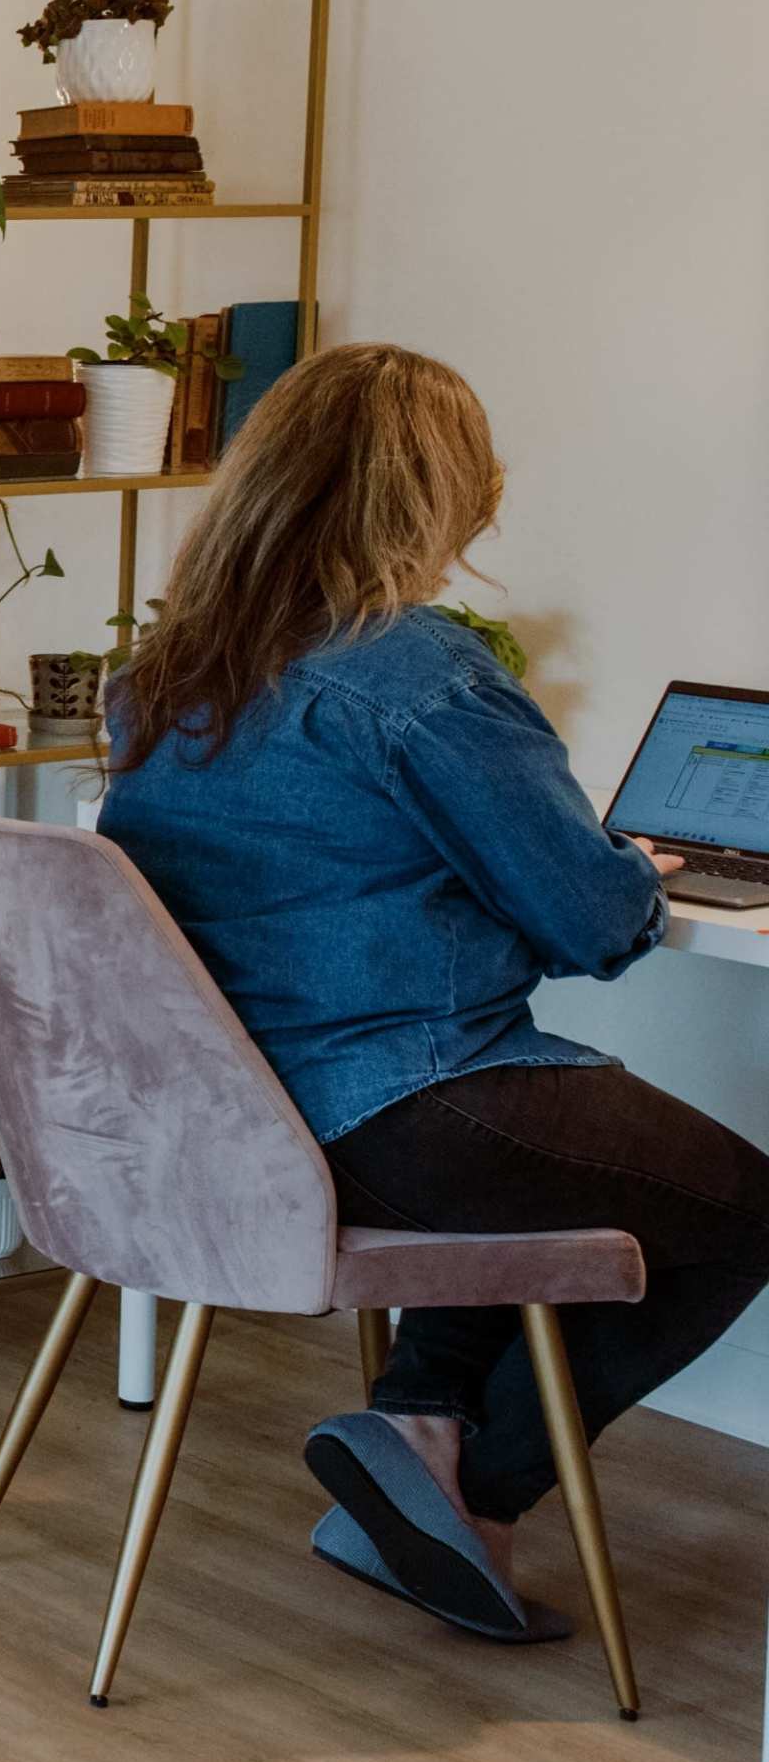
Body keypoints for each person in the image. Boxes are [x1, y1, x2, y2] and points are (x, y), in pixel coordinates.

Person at [99, 342, 769, 1643]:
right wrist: (631, 868)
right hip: (379, 1112)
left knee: (534, 1130)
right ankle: (477, 1487)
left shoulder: (171, 671)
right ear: (437, 494)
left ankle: (414, 1426)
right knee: (743, 1210)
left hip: (225, 1113)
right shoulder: (421, 674)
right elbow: (591, 926)